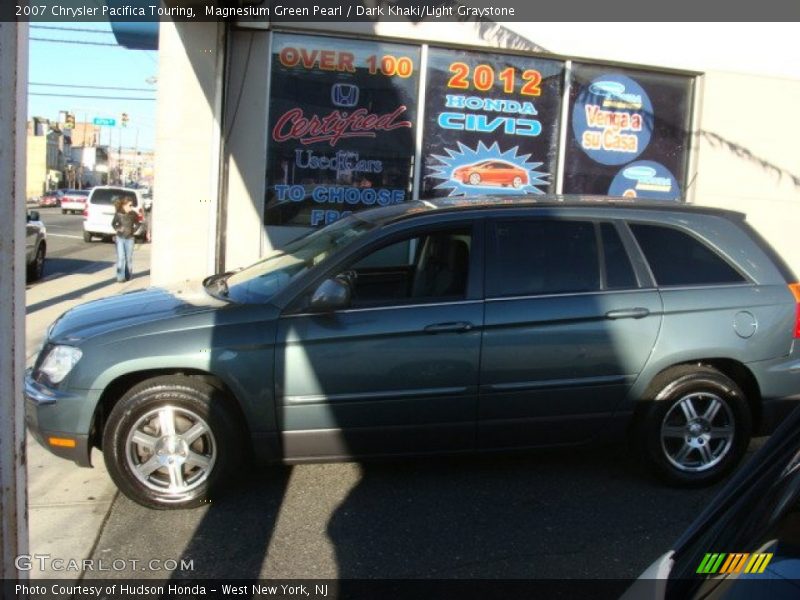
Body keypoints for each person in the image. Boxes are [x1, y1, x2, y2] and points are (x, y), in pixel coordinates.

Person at [111, 196, 137, 282]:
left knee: (128, 258)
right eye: (130, 205)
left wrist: (134, 230)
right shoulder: (118, 214)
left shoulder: (133, 214)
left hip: (130, 239)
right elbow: (113, 224)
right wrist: (118, 228)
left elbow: (138, 224)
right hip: (120, 238)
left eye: (132, 205)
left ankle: (128, 275)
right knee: (121, 257)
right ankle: (120, 277)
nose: (131, 207)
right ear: (124, 205)